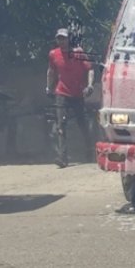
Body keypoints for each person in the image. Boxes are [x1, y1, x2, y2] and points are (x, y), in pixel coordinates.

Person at [47, 28, 95, 168]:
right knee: (61, 125)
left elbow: (90, 69)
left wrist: (90, 86)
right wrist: (49, 87)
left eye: (64, 38)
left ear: (69, 39)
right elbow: (51, 71)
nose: (61, 41)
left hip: (78, 94)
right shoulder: (53, 54)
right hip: (61, 93)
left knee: (83, 124)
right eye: (59, 38)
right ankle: (62, 157)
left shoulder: (79, 53)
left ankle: (89, 151)